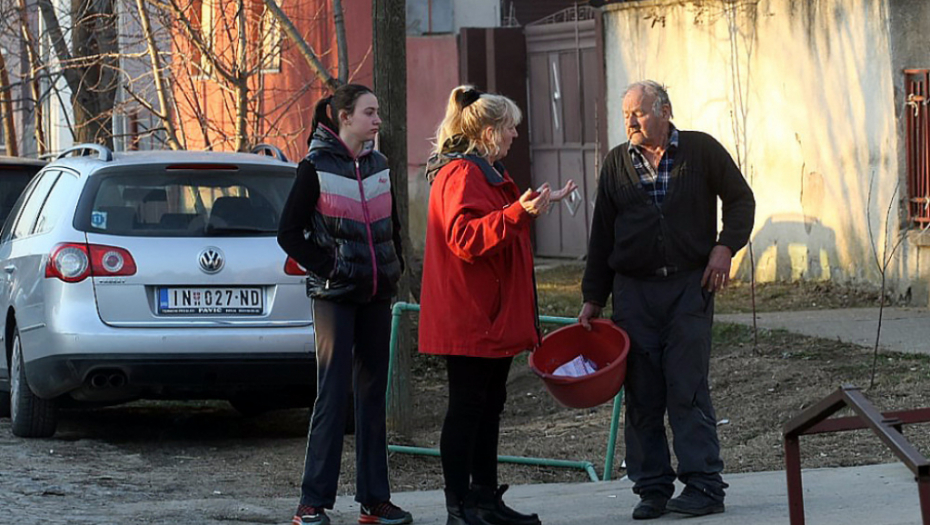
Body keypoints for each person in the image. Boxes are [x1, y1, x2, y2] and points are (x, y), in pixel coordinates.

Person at [578, 80, 755, 520]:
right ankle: (652, 488)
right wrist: (592, 297)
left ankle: (704, 486)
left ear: (665, 110)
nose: (631, 122)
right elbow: (602, 235)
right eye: (626, 116)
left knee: (687, 386)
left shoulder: (701, 151)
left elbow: (740, 200)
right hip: (634, 293)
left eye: (638, 113)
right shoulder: (617, 163)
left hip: (688, 288)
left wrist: (724, 246)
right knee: (643, 392)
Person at [418, 85, 577, 525]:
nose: (515, 136)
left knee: (488, 406)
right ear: (489, 132)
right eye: (510, 128)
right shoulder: (461, 175)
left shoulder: (485, 172)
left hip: (488, 316)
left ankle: (484, 500)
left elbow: (494, 227)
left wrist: (530, 207)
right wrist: (517, 213)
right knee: (468, 407)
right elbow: (466, 238)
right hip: (471, 317)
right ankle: (460, 507)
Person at [278, 83, 412, 525]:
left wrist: (395, 267)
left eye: (377, 112)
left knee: (372, 399)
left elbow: (391, 226)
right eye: (370, 113)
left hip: (377, 295)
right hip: (334, 297)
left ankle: (375, 501)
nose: (377, 120)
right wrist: (330, 267)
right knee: (333, 397)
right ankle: (311, 504)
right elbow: (289, 234)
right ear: (344, 117)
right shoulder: (313, 167)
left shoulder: (380, 165)